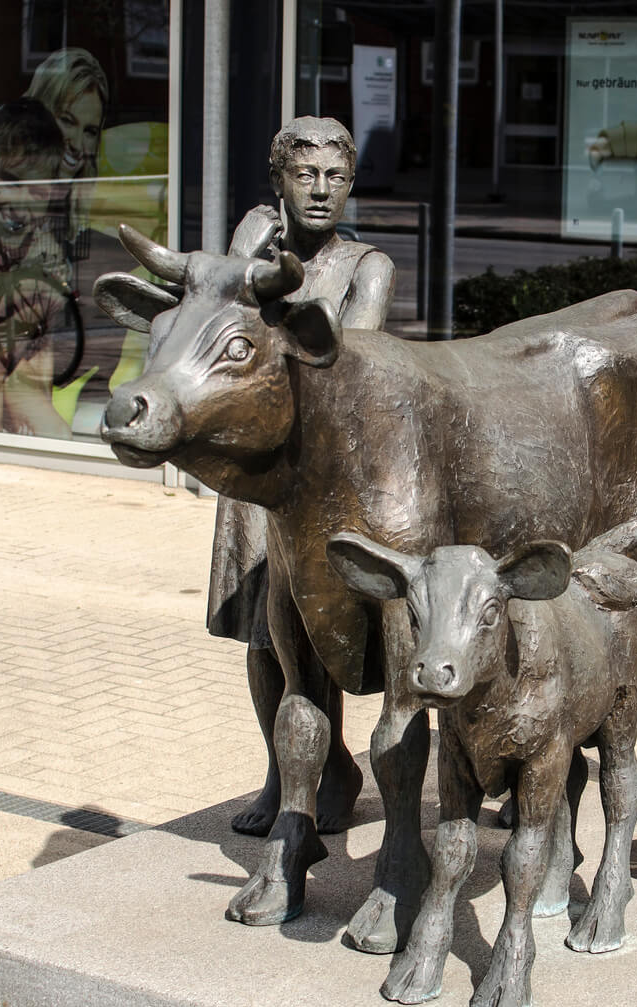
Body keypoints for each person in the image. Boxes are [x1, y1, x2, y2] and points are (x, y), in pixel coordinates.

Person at [212, 116, 395, 837]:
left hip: (324, 479)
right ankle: (288, 771)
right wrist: (240, 263)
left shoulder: (367, 267)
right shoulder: (254, 251)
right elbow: (216, 335)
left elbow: (347, 368)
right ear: (278, 181)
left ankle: (324, 773)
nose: (321, 190)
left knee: (321, 634)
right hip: (259, 463)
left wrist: (270, 301)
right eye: (305, 174)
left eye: (336, 177)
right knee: (263, 635)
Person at [0, 98, 73, 438]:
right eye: (8, 182)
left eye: (35, 191)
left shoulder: (45, 253)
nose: (19, 203)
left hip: (24, 374)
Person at [25, 47, 108, 247]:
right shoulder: (1, 188)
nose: (78, 145)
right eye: (67, 121)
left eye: (90, 132)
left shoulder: (93, 210)